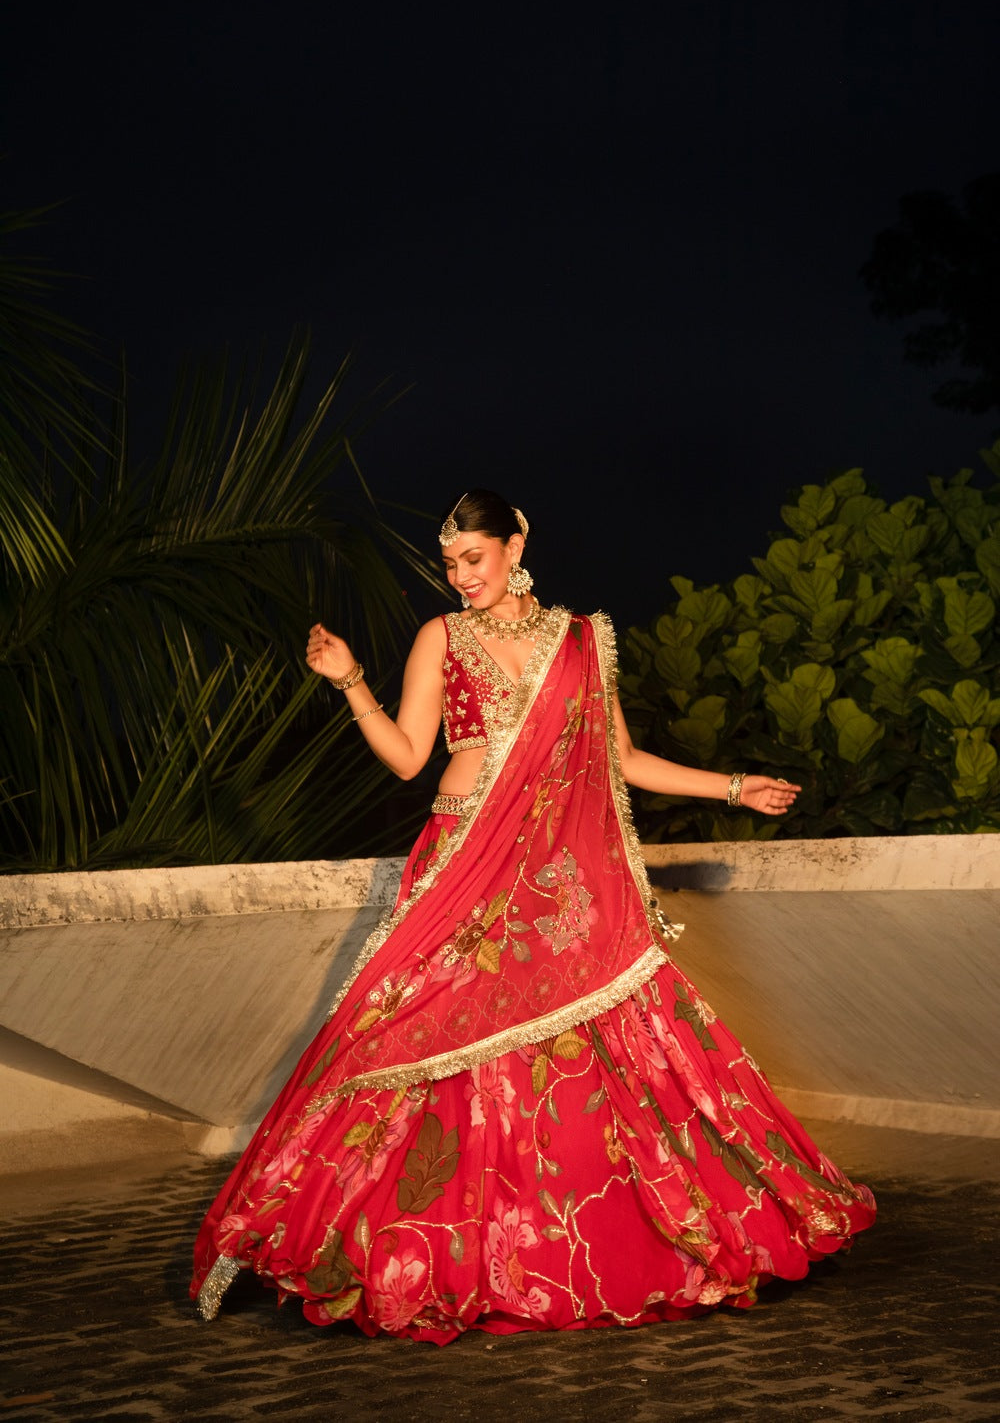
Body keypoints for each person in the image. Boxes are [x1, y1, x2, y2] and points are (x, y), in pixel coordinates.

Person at [191, 488, 875, 1343]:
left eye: (473, 559)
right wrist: (353, 682)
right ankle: (360, 1239)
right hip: (461, 866)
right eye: (449, 564)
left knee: (580, 1040)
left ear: (517, 544)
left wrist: (732, 786)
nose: (460, 577)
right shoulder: (441, 637)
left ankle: (551, 1246)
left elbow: (621, 759)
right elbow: (409, 758)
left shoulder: (585, 640)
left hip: (553, 880)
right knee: (394, 1029)